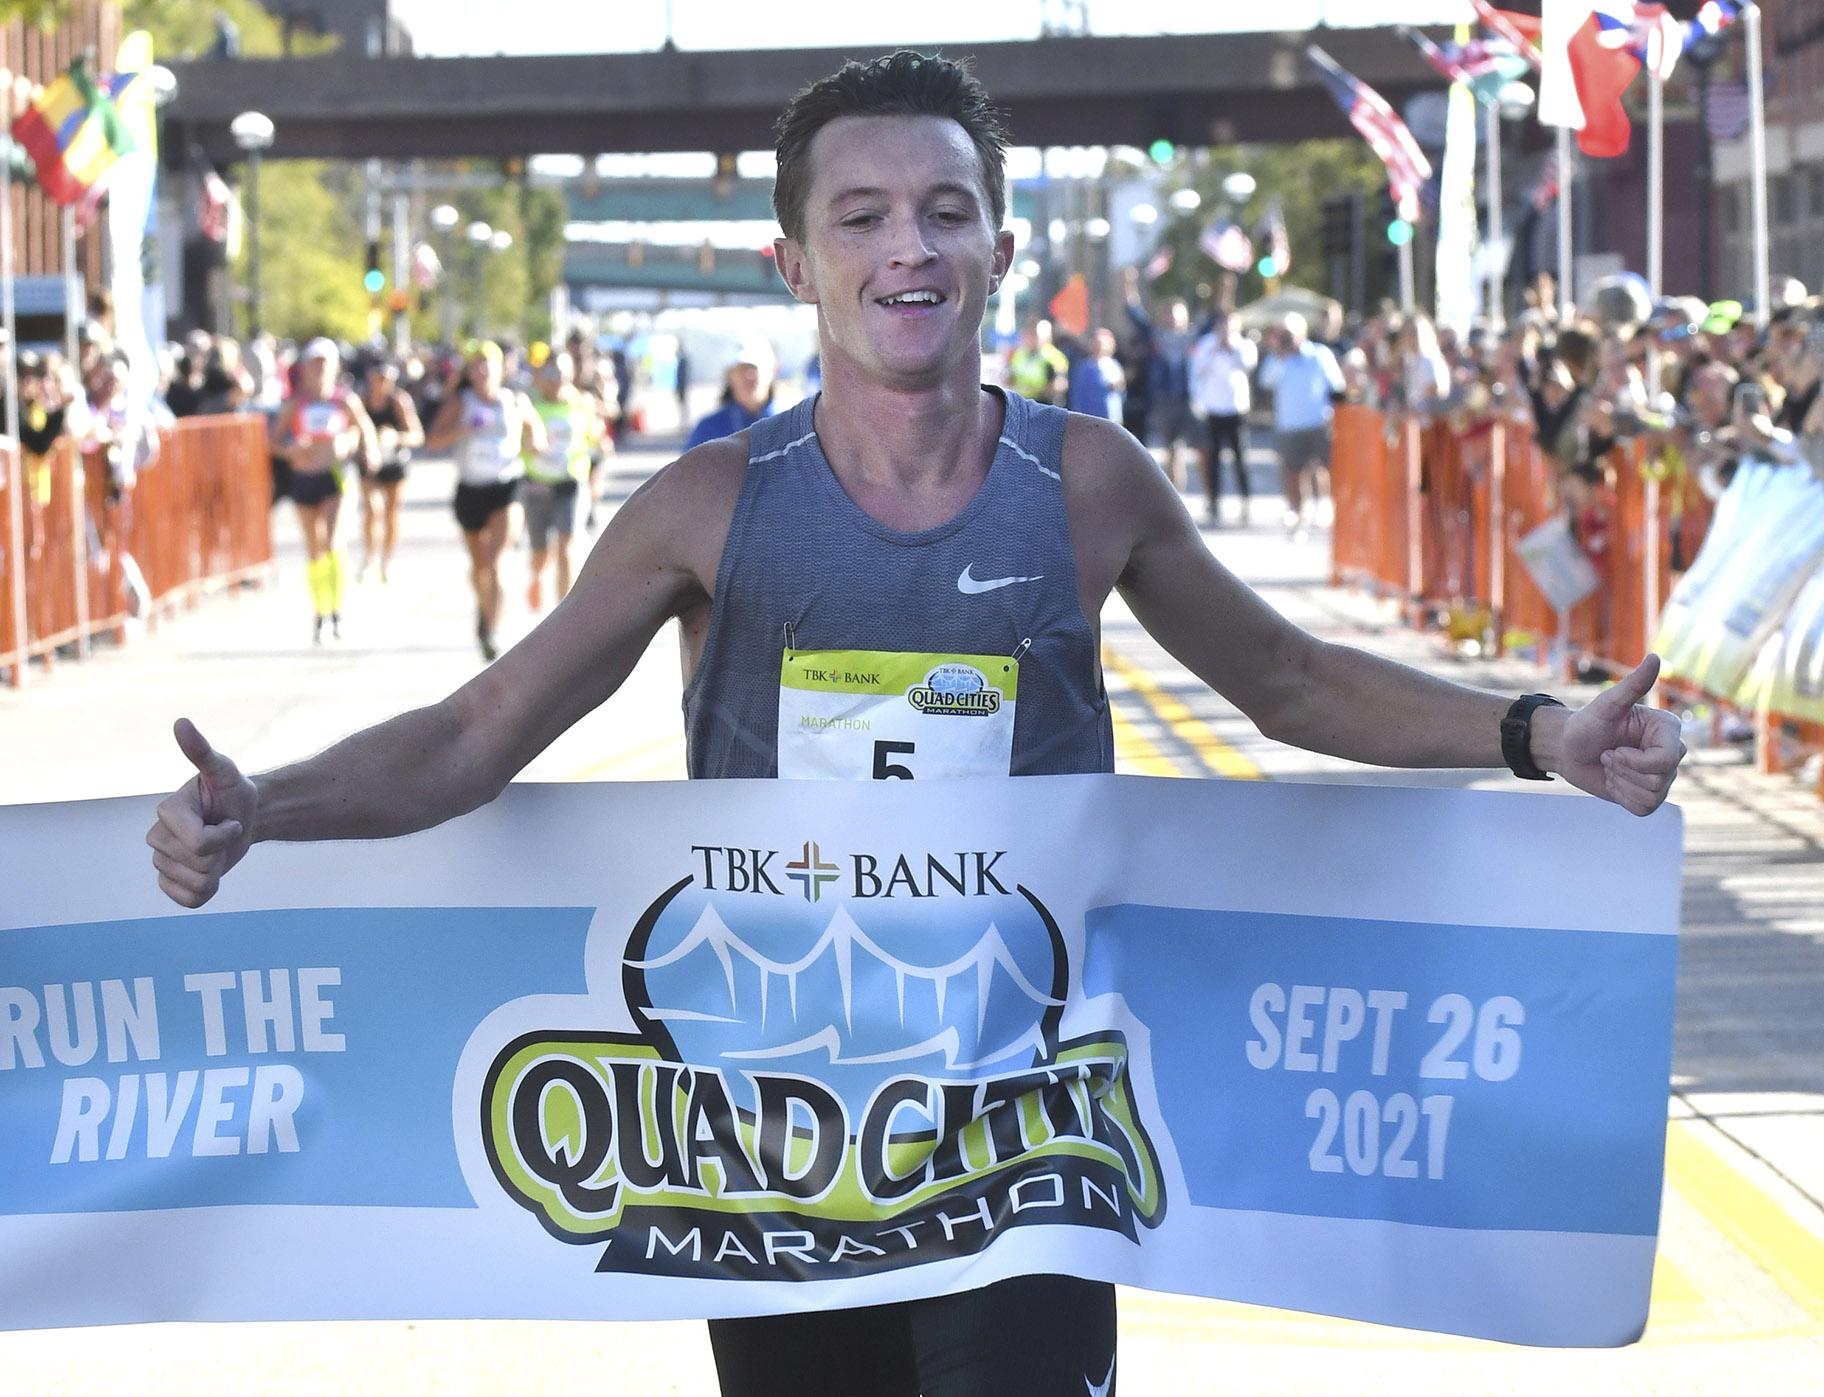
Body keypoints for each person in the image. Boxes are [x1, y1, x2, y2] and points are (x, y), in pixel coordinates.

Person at [148, 50, 1686, 1397]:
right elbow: (481, 730)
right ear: (791, 264)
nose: (909, 245)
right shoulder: (707, 507)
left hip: (1027, 1129)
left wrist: (1536, 731)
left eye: (946, 210)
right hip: (772, 1146)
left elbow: (1286, 679)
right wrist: (261, 805)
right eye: (862, 216)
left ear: (1002, 247)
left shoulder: (1089, 483)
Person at [425, 340, 544, 661]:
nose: (481, 370)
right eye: (475, 364)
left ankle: (492, 631)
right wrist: (462, 429)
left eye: (486, 363)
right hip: (470, 491)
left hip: (506, 487)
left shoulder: (513, 400)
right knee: (479, 568)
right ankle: (484, 610)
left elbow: (537, 433)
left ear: (500, 367)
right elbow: (433, 441)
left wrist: (534, 444)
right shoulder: (460, 403)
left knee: (496, 561)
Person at [270, 339, 374, 642]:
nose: (319, 368)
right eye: (314, 362)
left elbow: (363, 427)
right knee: (315, 549)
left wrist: (359, 446)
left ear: (335, 366)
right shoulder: (295, 404)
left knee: (332, 542)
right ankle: (320, 611)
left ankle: (336, 611)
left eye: (325, 362)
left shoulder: (344, 401)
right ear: (305, 367)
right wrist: (291, 450)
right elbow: (273, 442)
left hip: (334, 477)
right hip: (304, 478)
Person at [521, 351, 599, 611]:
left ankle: (561, 610)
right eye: (551, 373)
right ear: (541, 375)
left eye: (562, 374)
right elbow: (518, 442)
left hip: (571, 480)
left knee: (567, 542)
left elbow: (593, 437)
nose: (556, 380)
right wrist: (529, 445)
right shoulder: (530, 404)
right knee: (540, 552)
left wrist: (601, 442)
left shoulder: (583, 403)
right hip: (538, 482)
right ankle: (536, 576)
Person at [1258, 311, 1344, 535]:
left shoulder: (1319, 354)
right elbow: (1266, 381)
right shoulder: (1278, 358)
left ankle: (1321, 506)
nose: (1287, 338)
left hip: (1317, 421)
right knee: (1291, 470)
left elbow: (1336, 385)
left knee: (1318, 467)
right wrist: (1279, 354)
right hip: (1289, 424)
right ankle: (1296, 509)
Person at [1123, 266, 1196, 488]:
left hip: (1187, 397)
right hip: (1162, 397)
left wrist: (1225, 290)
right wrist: (1130, 284)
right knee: (1169, 445)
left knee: (1180, 447)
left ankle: (1178, 489)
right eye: (1169, 314)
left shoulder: (1193, 337)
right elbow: (1133, 312)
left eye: (1177, 314)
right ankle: (1174, 489)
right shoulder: (1155, 335)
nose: (1172, 319)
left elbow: (1218, 319)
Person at [356, 358, 425, 584]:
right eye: (379, 378)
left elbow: (417, 435)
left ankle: (387, 561)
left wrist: (395, 437)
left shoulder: (399, 401)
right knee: (372, 509)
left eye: (387, 379)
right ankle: (369, 559)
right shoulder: (362, 401)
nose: (382, 383)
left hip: (395, 461)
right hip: (370, 461)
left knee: (392, 512)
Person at [1188, 309, 1256, 526]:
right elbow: (1197, 369)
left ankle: (1245, 500)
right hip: (1213, 409)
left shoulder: (1243, 345)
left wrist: (1231, 348)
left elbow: (1248, 365)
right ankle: (1214, 503)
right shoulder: (1207, 344)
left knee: (1240, 458)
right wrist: (1216, 349)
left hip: (1236, 409)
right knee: (1213, 459)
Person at [685, 340, 779, 447]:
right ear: (729, 375)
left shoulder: (791, 425)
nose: (748, 376)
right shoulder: (708, 428)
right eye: (741, 369)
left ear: (774, 370)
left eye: (754, 368)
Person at [1005, 320, 1067, 405]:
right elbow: (1010, 376)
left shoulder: (1054, 357)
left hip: (1042, 404)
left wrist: (1041, 390)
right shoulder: (1019, 354)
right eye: (1029, 335)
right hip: (1020, 403)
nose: (1031, 339)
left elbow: (1061, 384)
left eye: (1035, 335)